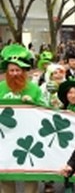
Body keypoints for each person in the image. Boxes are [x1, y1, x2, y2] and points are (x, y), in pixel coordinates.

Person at [0, 44, 42, 193]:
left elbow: (45, 111)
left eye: (18, 70)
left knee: (30, 173)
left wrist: (33, 103)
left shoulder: (34, 89)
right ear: (6, 72)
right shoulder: (0, 88)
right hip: (5, 140)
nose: (15, 73)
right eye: (11, 70)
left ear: (24, 71)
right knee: (5, 175)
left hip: (29, 139)